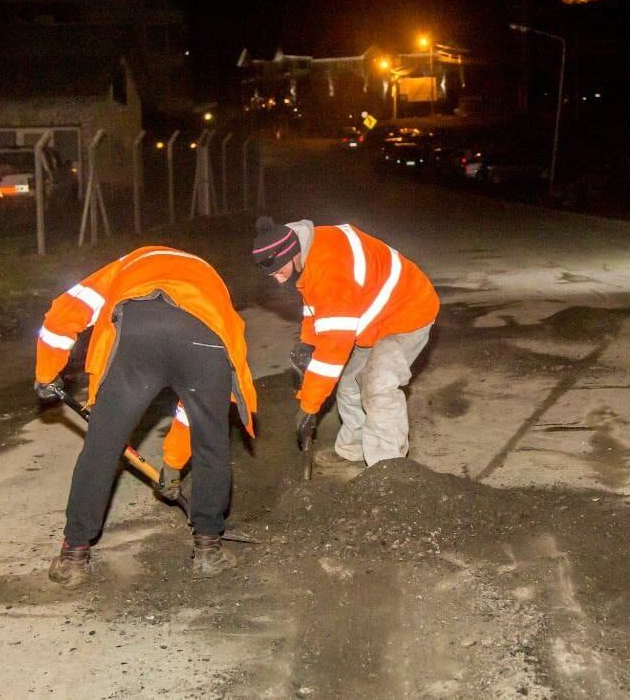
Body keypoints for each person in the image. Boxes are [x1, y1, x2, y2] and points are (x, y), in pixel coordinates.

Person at [34, 245, 258, 587]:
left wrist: (47, 372)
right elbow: (193, 408)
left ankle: (74, 556)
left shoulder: (127, 264)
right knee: (211, 443)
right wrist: (174, 462)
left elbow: (62, 314)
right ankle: (209, 549)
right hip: (204, 336)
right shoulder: (210, 278)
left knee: (102, 446)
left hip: (137, 330)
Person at [252, 217, 438, 466]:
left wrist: (309, 406)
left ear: (290, 253)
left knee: (378, 385)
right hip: (373, 316)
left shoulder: (329, 265)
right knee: (350, 384)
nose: (278, 280)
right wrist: (308, 341)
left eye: (279, 271)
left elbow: (332, 351)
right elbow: (315, 306)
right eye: (272, 275)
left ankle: (387, 470)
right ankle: (353, 449)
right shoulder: (308, 250)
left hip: (407, 312)